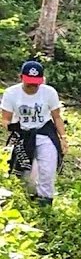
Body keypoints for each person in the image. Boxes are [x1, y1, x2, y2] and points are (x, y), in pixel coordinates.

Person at [2, 60, 67, 206]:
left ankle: (46, 202)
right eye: (29, 83)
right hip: (23, 134)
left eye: (35, 84)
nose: (32, 87)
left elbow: (56, 117)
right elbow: (5, 120)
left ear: (42, 80)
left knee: (48, 168)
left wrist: (63, 138)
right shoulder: (11, 93)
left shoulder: (49, 93)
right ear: (21, 78)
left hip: (45, 131)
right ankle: (26, 200)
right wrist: (14, 129)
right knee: (24, 171)